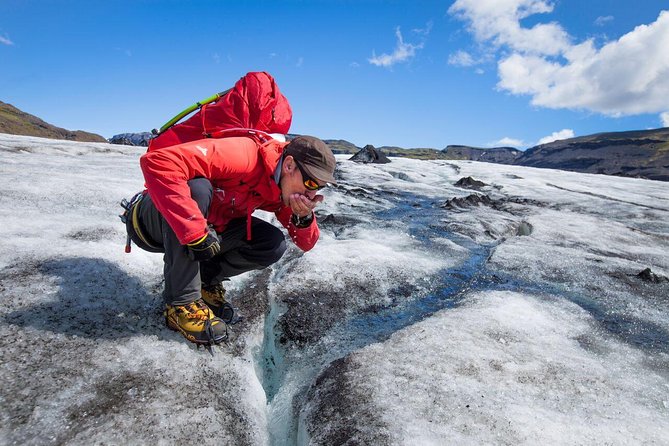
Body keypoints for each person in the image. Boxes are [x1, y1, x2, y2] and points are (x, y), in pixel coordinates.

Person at [123, 135, 336, 345]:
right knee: (196, 187)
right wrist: (195, 232)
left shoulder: (282, 185)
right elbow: (157, 161)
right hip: (149, 221)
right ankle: (182, 304)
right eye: (310, 182)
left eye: (319, 186)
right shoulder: (243, 155)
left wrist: (303, 217)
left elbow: (306, 243)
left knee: (272, 243)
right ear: (289, 165)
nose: (312, 192)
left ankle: (204, 282)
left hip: (206, 229)